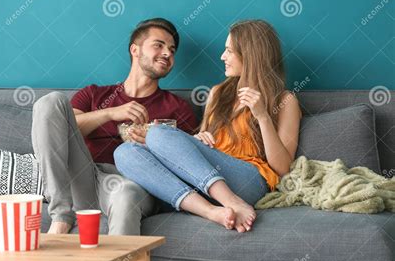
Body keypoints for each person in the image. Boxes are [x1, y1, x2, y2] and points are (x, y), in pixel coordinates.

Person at [31, 18, 197, 261]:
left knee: (126, 195)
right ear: (135, 50)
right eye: (159, 45)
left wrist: (155, 142)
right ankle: (61, 216)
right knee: (50, 102)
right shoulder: (96, 94)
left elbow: (186, 166)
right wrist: (110, 113)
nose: (168, 53)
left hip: (130, 182)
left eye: (172, 50)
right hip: (84, 176)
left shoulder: (177, 108)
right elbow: (60, 126)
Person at [114, 19, 302, 233]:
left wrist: (263, 116)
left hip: (247, 181)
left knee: (158, 134)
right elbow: (203, 146)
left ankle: (232, 200)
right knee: (124, 152)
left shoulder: (284, 100)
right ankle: (212, 212)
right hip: (203, 184)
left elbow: (283, 168)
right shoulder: (217, 94)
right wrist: (198, 139)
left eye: (229, 51)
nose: (223, 57)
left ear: (250, 55)